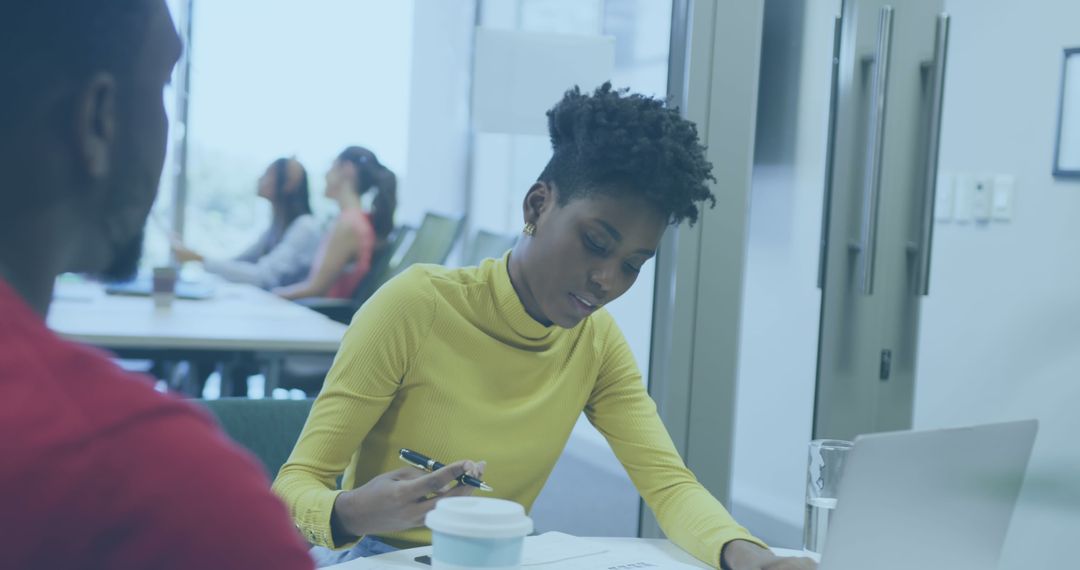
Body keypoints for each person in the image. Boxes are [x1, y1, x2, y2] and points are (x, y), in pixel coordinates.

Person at [0, 2, 468, 568]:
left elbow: (305, 284)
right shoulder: (172, 490)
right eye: (165, 86)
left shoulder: (333, 226)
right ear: (99, 116)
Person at [273, 84, 817, 570]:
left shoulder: (596, 344)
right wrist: (350, 511)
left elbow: (669, 486)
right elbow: (292, 489)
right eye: (596, 244)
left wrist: (753, 558)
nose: (607, 280)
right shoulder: (415, 305)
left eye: (633, 264)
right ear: (537, 204)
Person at [172, 157, 324, 290]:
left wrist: (198, 258)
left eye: (267, 174)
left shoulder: (304, 227)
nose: (260, 179)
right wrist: (196, 257)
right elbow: (239, 261)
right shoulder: (276, 227)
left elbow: (261, 277)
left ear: (288, 183)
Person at [274, 146, 396, 300]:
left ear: (347, 169)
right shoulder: (359, 220)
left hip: (319, 314)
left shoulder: (349, 225)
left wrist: (271, 296)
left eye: (330, 166)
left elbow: (315, 289)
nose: (325, 174)